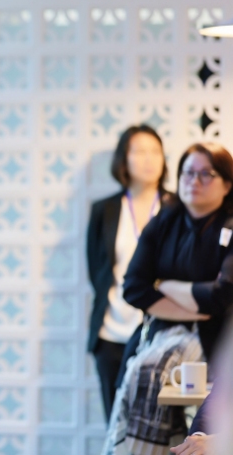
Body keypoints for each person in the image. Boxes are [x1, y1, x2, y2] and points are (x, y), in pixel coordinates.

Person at [103, 143, 233, 455]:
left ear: (227, 184)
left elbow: (222, 294)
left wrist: (165, 286)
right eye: (188, 173)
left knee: (156, 370)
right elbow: (134, 287)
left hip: (215, 338)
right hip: (158, 332)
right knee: (140, 371)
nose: (194, 181)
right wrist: (195, 306)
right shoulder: (164, 220)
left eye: (206, 174)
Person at [87, 125, 171, 422]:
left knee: (159, 425)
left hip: (163, 332)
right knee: (116, 424)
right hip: (111, 332)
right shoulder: (105, 210)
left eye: (155, 151)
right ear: (124, 159)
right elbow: (96, 269)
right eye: (140, 151)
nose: (149, 159)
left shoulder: (176, 207)